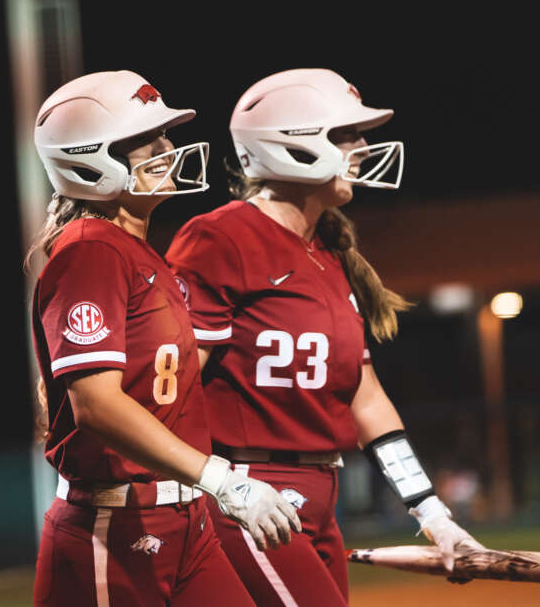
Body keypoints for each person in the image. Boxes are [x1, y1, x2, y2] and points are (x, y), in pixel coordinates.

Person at [166, 68, 483, 606]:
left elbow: (366, 398)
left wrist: (431, 511)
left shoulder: (327, 255)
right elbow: (171, 385)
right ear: (289, 144)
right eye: (345, 135)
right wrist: (209, 485)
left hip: (319, 497)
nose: (361, 148)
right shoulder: (219, 237)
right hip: (248, 493)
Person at [28, 70, 301, 607]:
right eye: (145, 141)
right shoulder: (91, 250)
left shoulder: (142, 253)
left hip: (183, 518)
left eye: (164, 136)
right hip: (115, 526)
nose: (167, 149)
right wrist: (225, 479)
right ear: (91, 157)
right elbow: (97, 406)